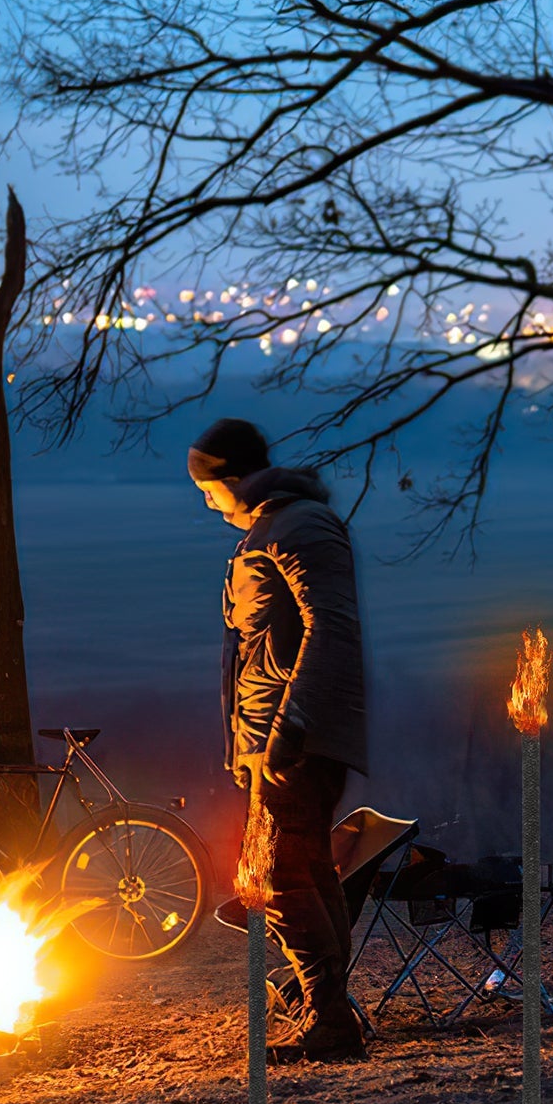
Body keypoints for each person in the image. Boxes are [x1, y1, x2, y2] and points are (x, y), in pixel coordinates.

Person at [189, 418, 369, 1061]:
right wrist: (245, 745)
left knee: (280, 874)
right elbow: (254, 654)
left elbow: (332, 628)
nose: (205, 500)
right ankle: (330, 1013)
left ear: (233, 479)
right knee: (308, 870)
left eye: (208, 487)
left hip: (294, 737)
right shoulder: (268, 533)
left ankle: (330, 1023)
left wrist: (290, 727)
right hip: (270, 739)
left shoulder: (298, 528)